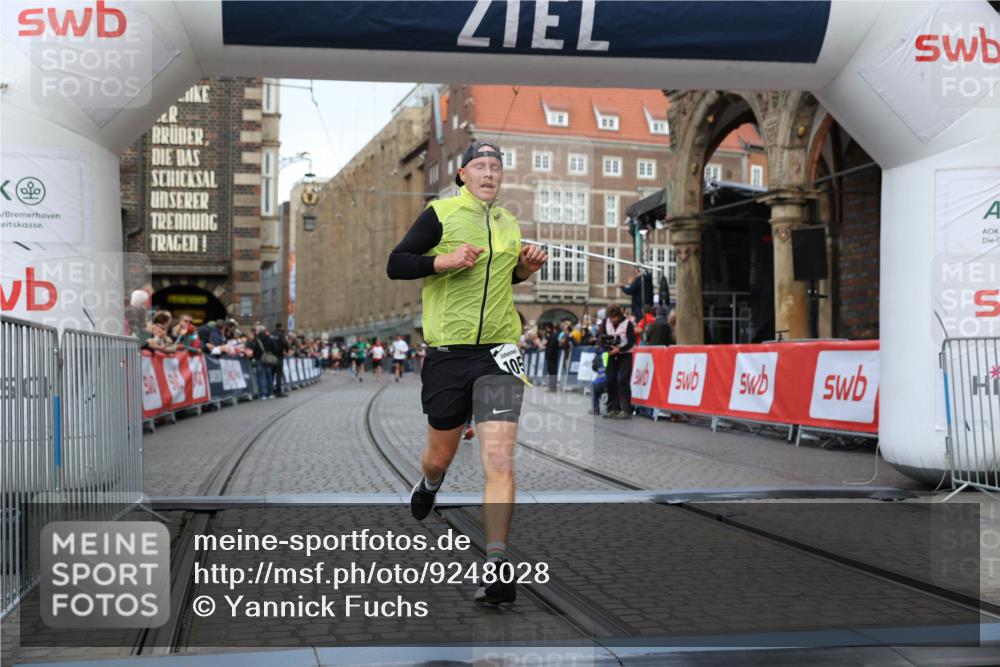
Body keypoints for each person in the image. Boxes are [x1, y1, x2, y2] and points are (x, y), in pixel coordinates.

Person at [386, 140, 547, 605]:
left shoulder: (509, 222)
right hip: (448, 354)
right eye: (480, 165)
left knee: (499, 460)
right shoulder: (440, 214)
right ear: (463, 175)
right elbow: (397, 264)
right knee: (440, 456)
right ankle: (430, 483)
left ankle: (496, 564)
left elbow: (504, 279)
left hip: (498, 353)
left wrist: (524, 269)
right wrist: (444, 261)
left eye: (496, 166)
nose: (490, 173)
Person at [602, 304, 636, 419]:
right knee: (610, 379)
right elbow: (601, 337)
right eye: (610, 318)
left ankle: (626, 409)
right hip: (611, 354)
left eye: (614, 318)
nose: (612, 320)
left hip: (625, 354)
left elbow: (632, 341)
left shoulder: (627, 324)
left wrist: (620, 349)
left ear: (619, 315)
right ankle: (613, 408)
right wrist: (606, 347)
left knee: (623, 381)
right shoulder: (606, 322)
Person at [249, 326, 275, 400]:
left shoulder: (257, 339)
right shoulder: (269, 338)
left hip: (259, 359)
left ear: (259, 331)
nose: (255, 331)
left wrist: (253, 357)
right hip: (268, 359)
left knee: (261, 377)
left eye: (256, 330)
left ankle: (262, 394)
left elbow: (253, 349)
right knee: (269, 376)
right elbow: (273, 348)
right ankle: (271, 393)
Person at [271, 322, 290, 397]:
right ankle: (278, 391)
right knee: (279, 374)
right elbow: (285, 343)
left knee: (271, 374)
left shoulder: (271, 334)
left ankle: (270, 390)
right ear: (281, 327)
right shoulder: (281, 335)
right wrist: (287, 350)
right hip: (279, 356)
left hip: (271, 357)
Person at [590, 350, 609, 415]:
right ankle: (612, 408)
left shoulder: (600, 354)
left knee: (592, 385)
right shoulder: (614, 353)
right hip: (613, 381)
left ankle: (595, 409)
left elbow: (594, 367)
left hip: (601, 382)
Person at [544, 322, 560, 392]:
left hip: (552, 357)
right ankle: (551, 387)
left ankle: (553, 388)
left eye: (547, 328)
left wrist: (548, 354)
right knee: (551, 372)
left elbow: (551, 347)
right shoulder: (551, 335)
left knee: (553, 372)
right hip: (551, 357)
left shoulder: (553, 336)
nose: (546, 329)